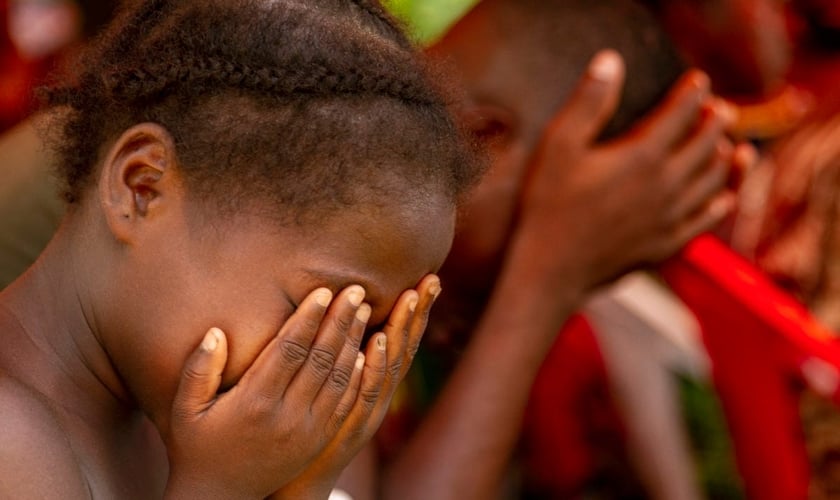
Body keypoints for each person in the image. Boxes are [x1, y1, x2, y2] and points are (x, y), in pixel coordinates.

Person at [0, 0, 484, 498]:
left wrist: (298, 489)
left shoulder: (198, 433)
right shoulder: (9, 443)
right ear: (141, 187)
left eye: (373, 334)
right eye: (318, 313)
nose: (338, 369)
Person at [332, 0, 752, 498]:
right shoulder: (316, 246)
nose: (469, 315)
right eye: (564, 234)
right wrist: (545, 280)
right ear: (483, 137)